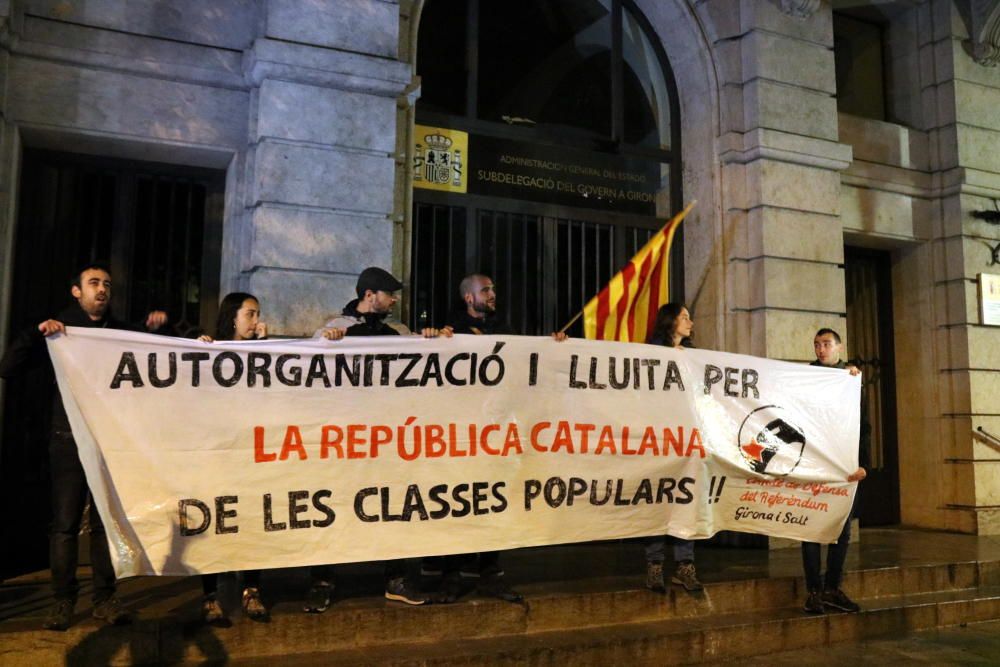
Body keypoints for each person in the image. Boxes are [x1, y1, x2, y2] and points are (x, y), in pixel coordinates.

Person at [0, 262, 167, 631]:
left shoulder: (118, 331)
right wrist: (37, 333)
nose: (102, 289)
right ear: (77, 291)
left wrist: (157, 330)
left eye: (107, 283)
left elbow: (155, 360)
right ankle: (62, 601)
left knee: (106, 522)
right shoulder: (59, 329)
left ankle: (105, 599)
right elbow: (8, 367)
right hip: (67, 440)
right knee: (65, 523)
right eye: (94, 283)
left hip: (108, 441)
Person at [306, 267, 450, 611]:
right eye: (390, 294)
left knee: (396, 501)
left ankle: (396, 578)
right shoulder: (332, 328)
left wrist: (437, 339)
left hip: (386, 439)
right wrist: (326, 345)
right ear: (370, 295)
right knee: (333, 504)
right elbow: (307, 368)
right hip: (344, 438)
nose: (395, 299)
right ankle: (322, 579)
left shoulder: (398, 332)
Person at [195, 292, 274, 625]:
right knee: (213, 521)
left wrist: (265, 348)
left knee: (253, 519)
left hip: (249, 452)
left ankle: (251, 589)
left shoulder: (262, 351)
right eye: (250, 314)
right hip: (217, 454)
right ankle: (210, 596)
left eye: (257, 315)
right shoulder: (209, 348)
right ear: (232, 317)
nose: (255, 321)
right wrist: (198, 351)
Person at [802, 327, 869, 614]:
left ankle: (832, 587)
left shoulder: (851, 380)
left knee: (841, 530)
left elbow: (863, 425)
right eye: (817, 344)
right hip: (816, 463)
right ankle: (814, 590)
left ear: (839, 348)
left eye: (826, 344)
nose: (821, 349)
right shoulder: (806, 377)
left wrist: (863, 462)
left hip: (844, 466)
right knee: (811, 527)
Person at [643, 302, 703, 593]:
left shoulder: (693, 357)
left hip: (684, 441)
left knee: (684, 500)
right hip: (656, 440)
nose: (690, 322)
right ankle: (655, 566)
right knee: (657, 500)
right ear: (670, 322)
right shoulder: (648, 354)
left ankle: (684, 566)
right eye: (684, 317)